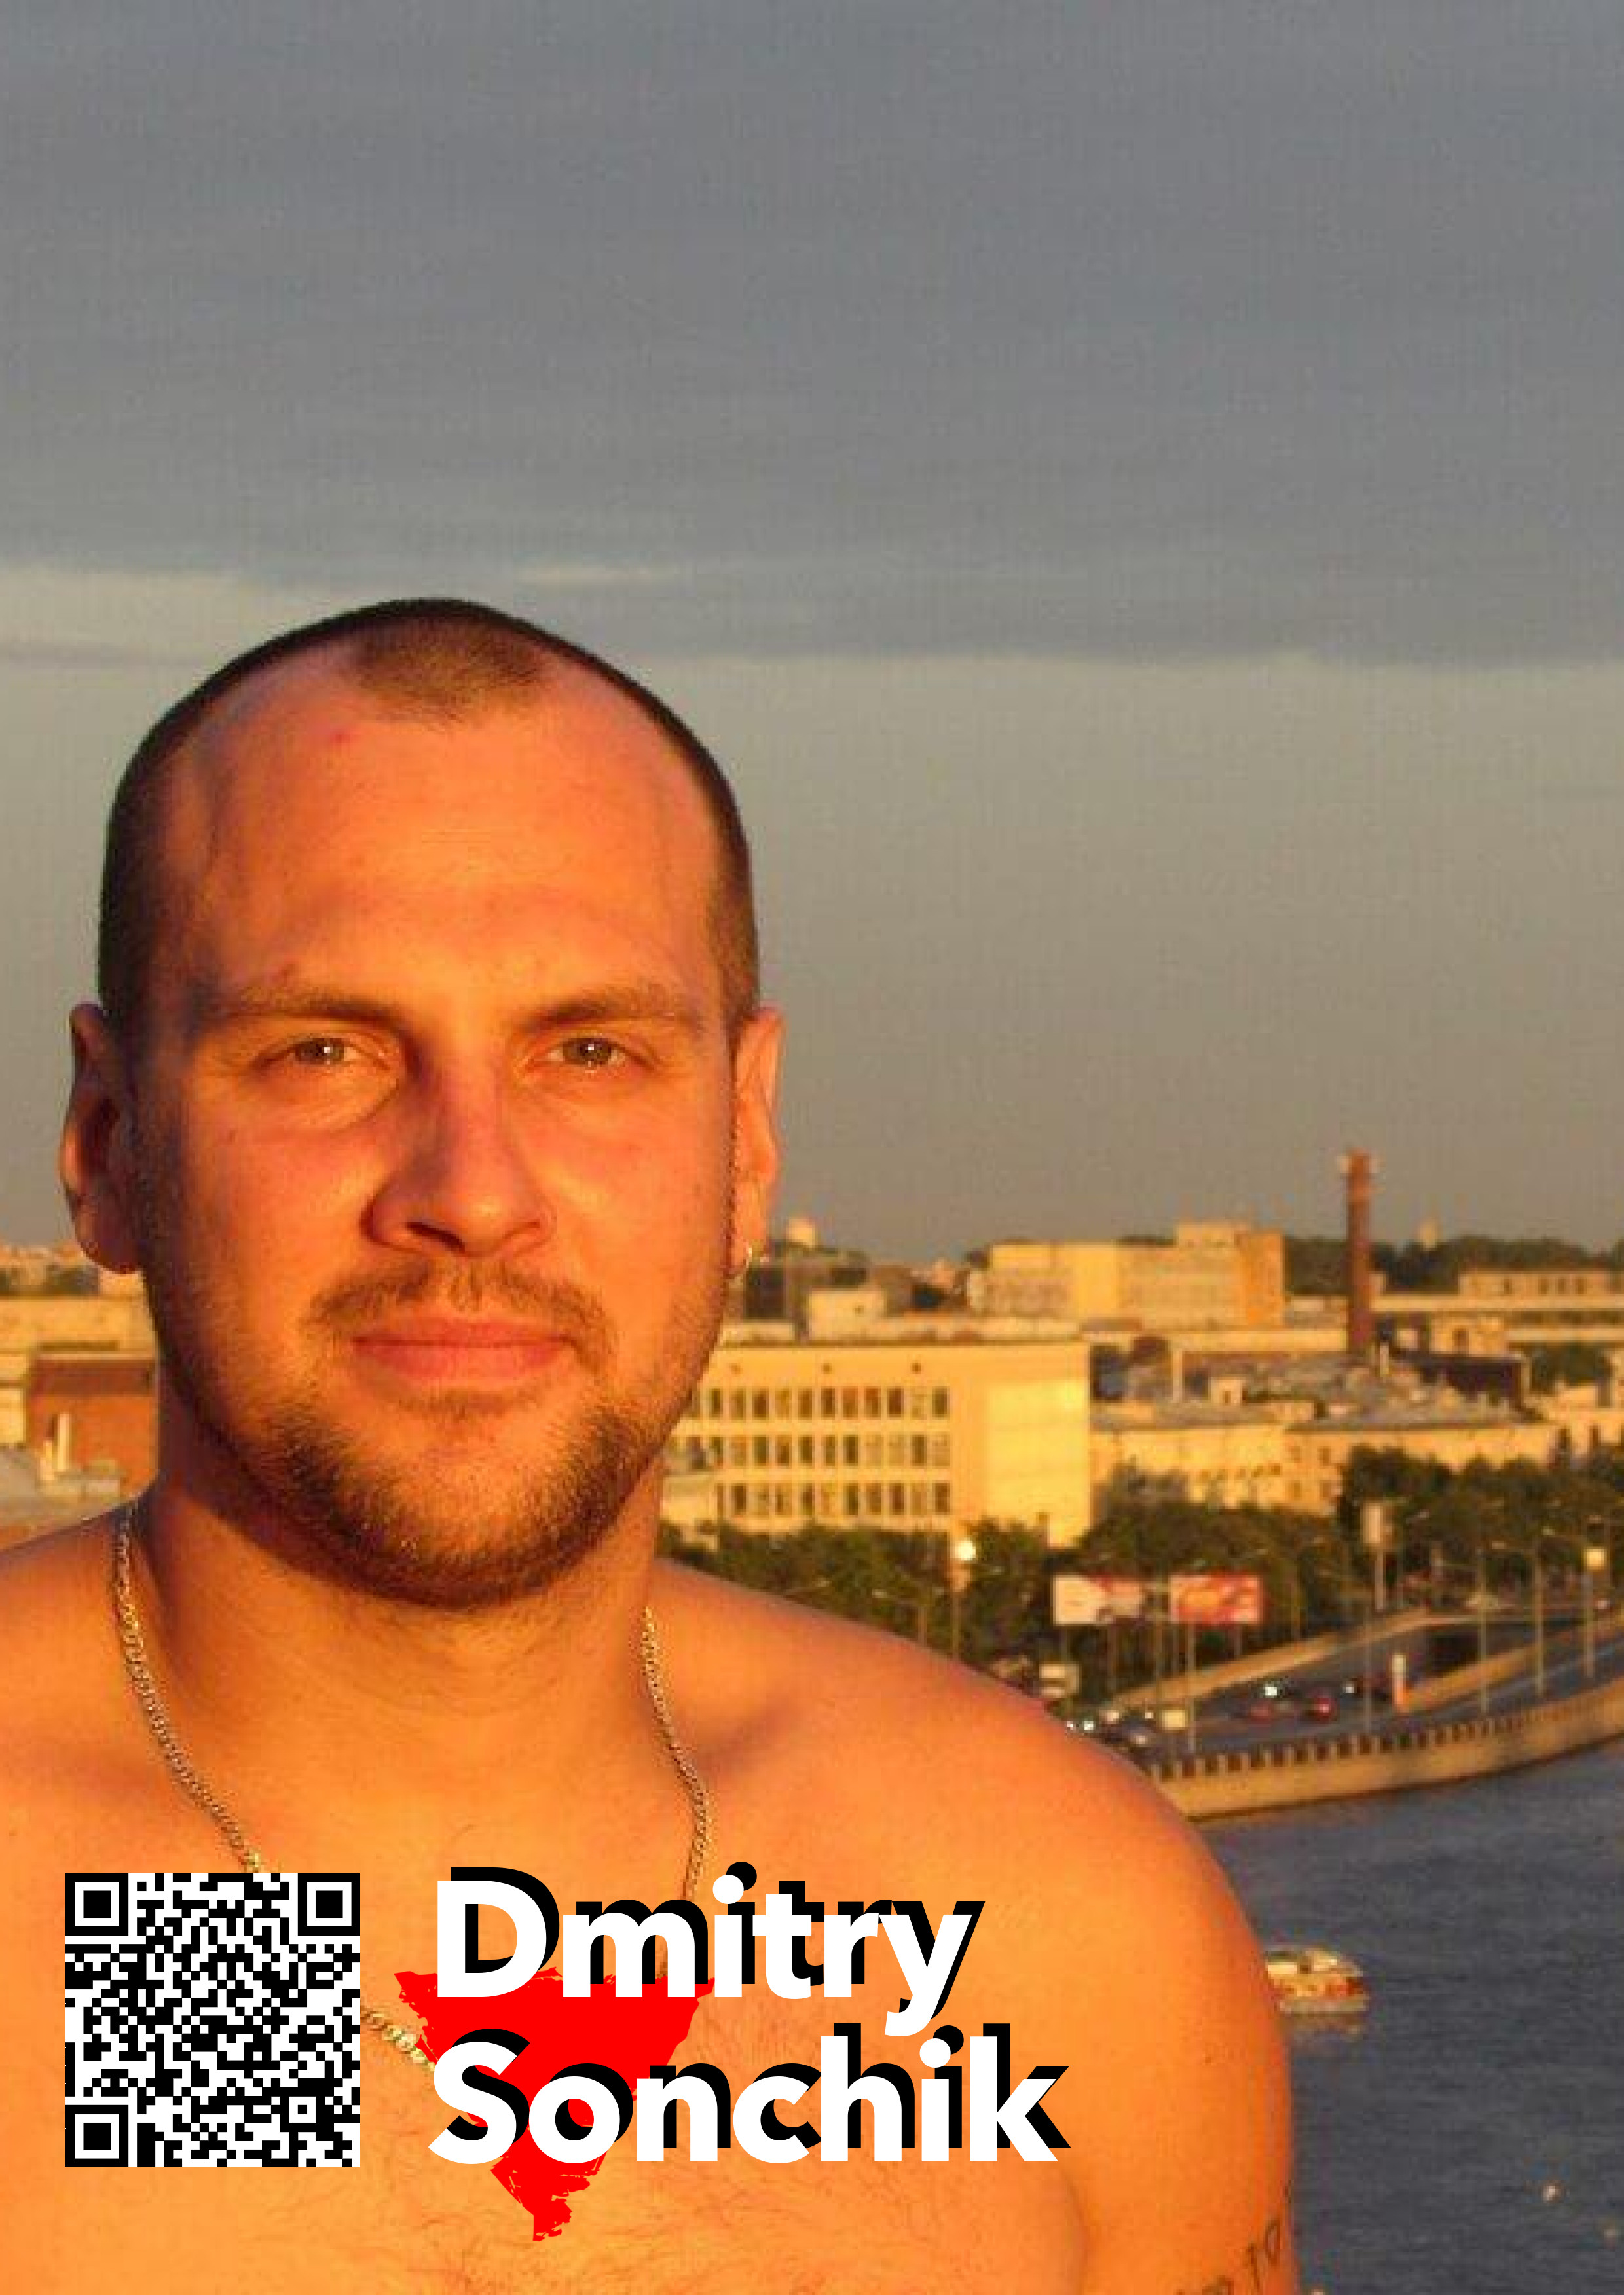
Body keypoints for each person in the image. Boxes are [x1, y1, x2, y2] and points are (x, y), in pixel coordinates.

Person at [0, 599, 1297, 2292]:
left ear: (746, 1137)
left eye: (589, 1051)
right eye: (322, 1050)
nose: (471, 1191)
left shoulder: (1057, 1926)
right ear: (108, 1140)